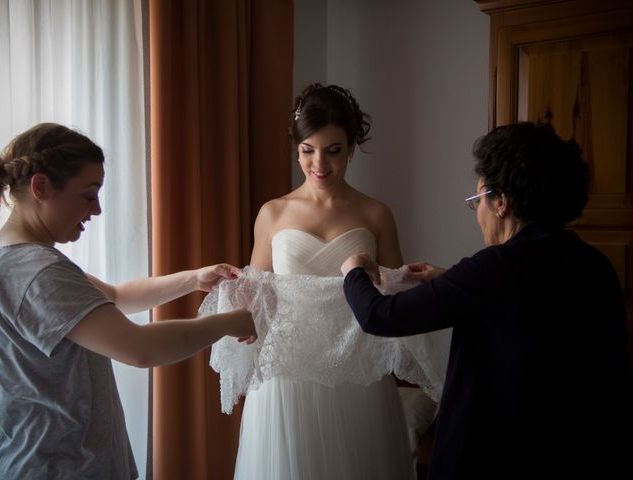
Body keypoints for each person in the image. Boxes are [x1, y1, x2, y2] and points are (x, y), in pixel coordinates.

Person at [341, 121, 633, 480]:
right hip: (578, 452)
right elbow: (526, 309)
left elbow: (379, 316)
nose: (476, 210)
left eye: (476, 200)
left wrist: (353, 270)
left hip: (495, 454)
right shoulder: (594, 264)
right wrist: (450, 279)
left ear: (501, 202)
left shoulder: (494, 269)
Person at [0, 123, 256, 480]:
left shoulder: (13, 260)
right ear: (41, 187)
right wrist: (229, 323)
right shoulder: (39, 273)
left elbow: (115, 297)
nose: (97, 209)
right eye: (88, 194)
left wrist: (194, 279)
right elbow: (139, 349)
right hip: (60, 465)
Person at [233, 83, 415, 479]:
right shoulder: (273, 213)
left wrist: (380, 277)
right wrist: (236, 302)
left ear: (351, 146)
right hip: (287, 377)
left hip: (357, 374)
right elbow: (257, 295)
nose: (320, 165)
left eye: (333, 151)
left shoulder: (376, 213)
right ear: (296, 148)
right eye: (307, 151)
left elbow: (397, 302)